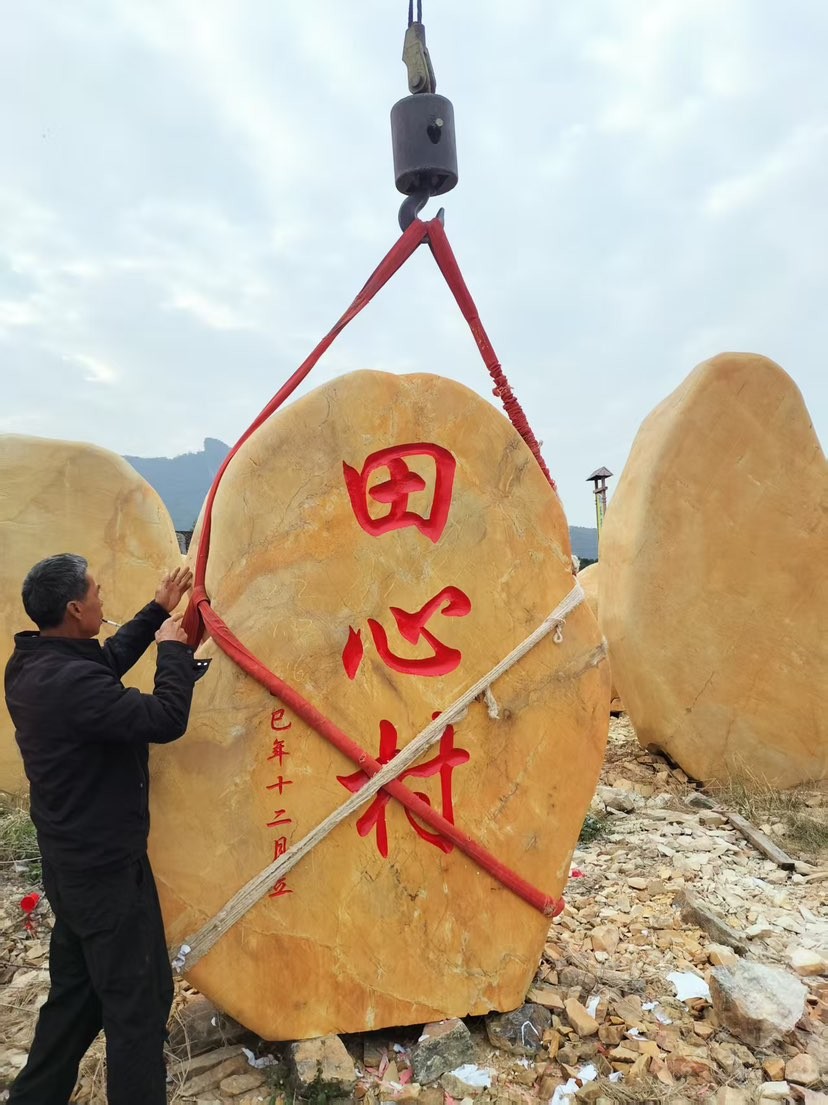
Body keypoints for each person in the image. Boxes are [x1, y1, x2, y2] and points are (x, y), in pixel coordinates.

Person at [4, 553, 205, 1105]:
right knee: (139, 1006)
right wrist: (173, 651)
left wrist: (157, 610)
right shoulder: (72, 684)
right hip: (107, 876)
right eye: (95, 591)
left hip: (71, 868)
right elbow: (165, 718)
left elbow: (104, 663)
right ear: (74, 609)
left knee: (76, 999)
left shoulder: (32, 664)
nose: (102, 596)